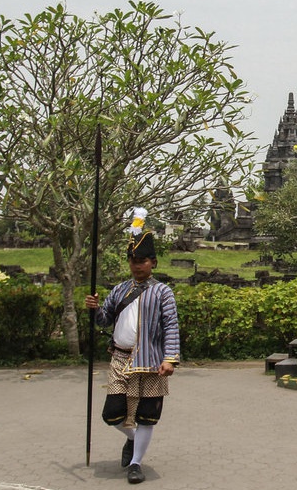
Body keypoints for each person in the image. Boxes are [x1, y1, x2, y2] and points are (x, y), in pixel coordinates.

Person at [85, 207, 180, 484]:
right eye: (133, 260)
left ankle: (136, 462)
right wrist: (93, 309)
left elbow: (171, 327)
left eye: (143, 260)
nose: (137, 265)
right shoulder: (120, 290)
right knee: (112, 413)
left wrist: (170, 358)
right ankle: (131, 439)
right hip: (120, 359)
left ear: (153, 262)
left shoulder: (163, 292)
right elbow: (104, 320)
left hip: (150, 361)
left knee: (147, 416)